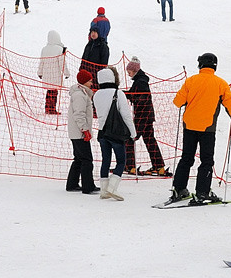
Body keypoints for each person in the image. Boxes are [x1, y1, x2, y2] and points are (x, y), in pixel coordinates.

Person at [169, 53, 231, 204]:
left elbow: (178, 102)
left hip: (189, 126)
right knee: (206, 160)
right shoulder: (220, 83)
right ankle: (202, 192)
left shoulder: (191, 80)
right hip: (207, 128)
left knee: (186, 158)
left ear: (200, 65)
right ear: (215, 66)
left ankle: (179, 189)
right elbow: (229, 103)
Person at [93, 67, 136, 201]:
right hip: (116, 133)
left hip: (102, 132)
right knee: (121, 161)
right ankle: (112, 188)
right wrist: (133, 133)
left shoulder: (96, 95)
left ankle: (104, 190)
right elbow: (126, 116)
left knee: (105, 161)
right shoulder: (118, 93)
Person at [124, 57, 166, 176]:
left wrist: (127, 95)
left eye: (129, 71)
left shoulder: (141, 82)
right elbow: (134, 94)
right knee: (149, 140)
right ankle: (159, 166)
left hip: (143, 116)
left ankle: (130, 166)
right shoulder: (140, 80)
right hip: (146, 115)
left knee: (129, 137)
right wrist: (125, 94)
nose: (128, 74)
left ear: (135, 70)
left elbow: (140, 97)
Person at [66, 69, 99, 194]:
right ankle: (88, 186)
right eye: (90, 81)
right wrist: (84, 129)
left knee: (79, 159)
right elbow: (79, 114)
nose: (92, 83)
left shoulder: (82, 93)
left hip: (76, 132)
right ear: (84, 82)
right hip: (79, 132)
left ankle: (72, 184)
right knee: (86, 159)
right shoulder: (80, 95)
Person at [37, 30, 70, 114]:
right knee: (54, 93)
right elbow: (62, 63)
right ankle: (52, 109)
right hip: (56, 75)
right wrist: (66, 73)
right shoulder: (59, 49)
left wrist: (40, 73)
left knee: (49, 92)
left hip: (47, 76)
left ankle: (47, 108)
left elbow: (42, 62)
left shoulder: (44, 49)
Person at [79, 25, 109, 90]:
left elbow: (104, 62)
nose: (93, 34)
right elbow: (84, 58)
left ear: (98, 33)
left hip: (96, 75)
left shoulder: (103, 46)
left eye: (95, 32)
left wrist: (100, 73)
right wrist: (81, 68)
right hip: (87, 74)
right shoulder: (88, 45)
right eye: (92, 32)